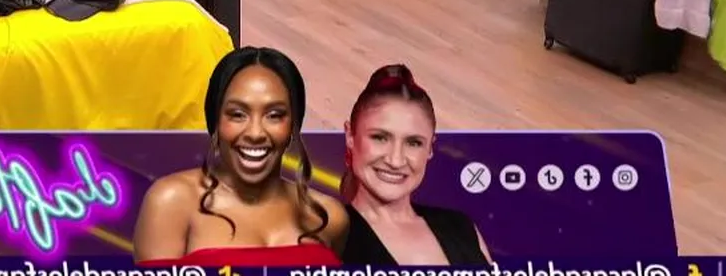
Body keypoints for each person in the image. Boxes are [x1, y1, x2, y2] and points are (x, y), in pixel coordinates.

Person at [132, 46, 348, 266]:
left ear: (293, 125)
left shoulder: (330, 216)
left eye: (274, 115)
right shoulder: (171, 201)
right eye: (237, 114)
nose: (255, 133)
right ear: (215, 122)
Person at [339, 65, 492, 265]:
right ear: (350, 136)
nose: (396, 161)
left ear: (430, 148)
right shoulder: (330, 240)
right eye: (380, 137)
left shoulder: (461, 228)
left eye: (413, 143)